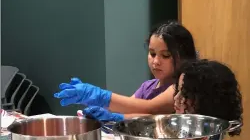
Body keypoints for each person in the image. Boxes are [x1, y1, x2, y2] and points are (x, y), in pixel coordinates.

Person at [81, 59, 243, 140]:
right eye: (178, 91)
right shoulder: (179, 118)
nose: (177, 98)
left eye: (186, 94)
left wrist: (111, 113)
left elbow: (148, 110)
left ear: (208, 101)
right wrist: (115, 121)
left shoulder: (206, 138)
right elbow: (153, 122)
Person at [54, 20, 197, 121]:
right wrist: (102, 112)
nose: (155, 61)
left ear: (184, 57)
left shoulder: (181, 89)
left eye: (165, 56)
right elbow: (130, 108)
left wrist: (99, 96)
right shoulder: (148, 87)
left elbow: (150, 109)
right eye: (152, 53)